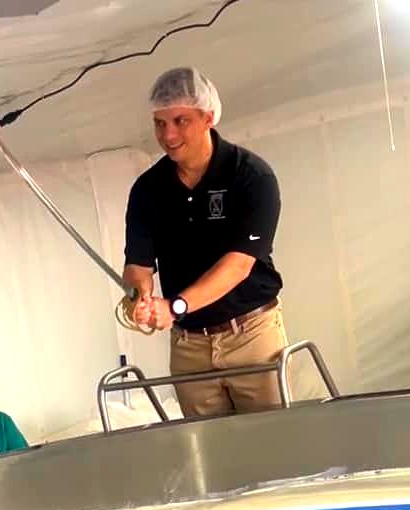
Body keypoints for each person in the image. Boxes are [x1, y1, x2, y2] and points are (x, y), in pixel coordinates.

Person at [122, 66, 287, 419]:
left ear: (208, 117)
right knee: (209, 453)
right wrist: (141, 298)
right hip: (189, 345)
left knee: (273, 445)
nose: (168, 134)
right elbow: (137, 266)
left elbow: (239, 265)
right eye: (160, 123)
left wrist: (175, 306)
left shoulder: (252, 176)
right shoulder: (148, 190)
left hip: (250, 334)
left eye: (181, 121)